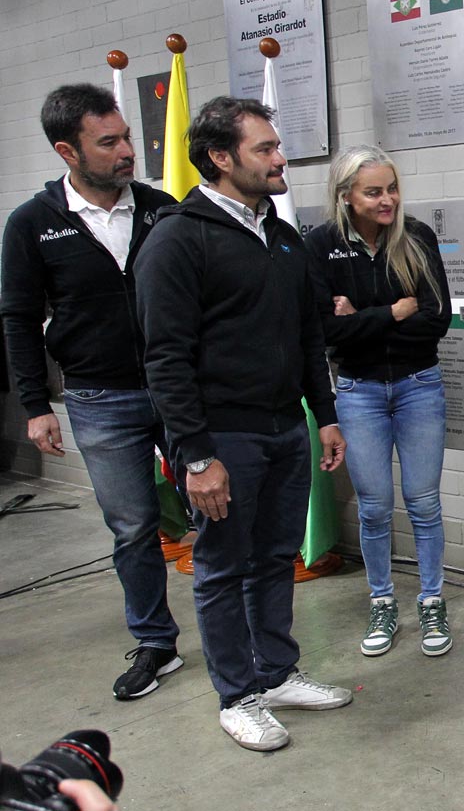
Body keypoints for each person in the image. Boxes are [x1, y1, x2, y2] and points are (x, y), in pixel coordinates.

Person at [134, 96, 351, 752]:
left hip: (288, 428)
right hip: (223, 438)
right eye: (265, 149)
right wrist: (195, 458)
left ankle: (277, 673)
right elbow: (165, 359)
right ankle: (238, 696)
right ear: (221, 158)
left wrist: (327, 418)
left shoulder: (282, 236)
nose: (281, 157)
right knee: (224, 568)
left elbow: (308, 334)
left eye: (276, 145)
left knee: (274, 558)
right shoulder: (178, 238)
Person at [0, 84, 184, 701]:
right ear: (66, 150)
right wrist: (34, 405)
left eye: (128, 136)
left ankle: (233, 627)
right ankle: (156, 642)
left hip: (178, 390)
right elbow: (19, 319)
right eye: (109, 142)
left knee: (220, 510)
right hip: (99, 399)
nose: (128, 150)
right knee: (132, 527)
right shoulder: (31, 225)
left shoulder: (163, 210)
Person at [305, 146, 453, 658]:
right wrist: (391, 311)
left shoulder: (416, 237)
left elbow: (436, 320)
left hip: (419, 386)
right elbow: (325, 331)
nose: (388, 199)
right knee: (373, 508)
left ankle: (432, 600)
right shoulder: (320, 244)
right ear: (346, 196)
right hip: (358, 391)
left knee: (423, 502)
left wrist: (358, 318)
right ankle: (383, 600)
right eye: (374, 191)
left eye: (392, 188)